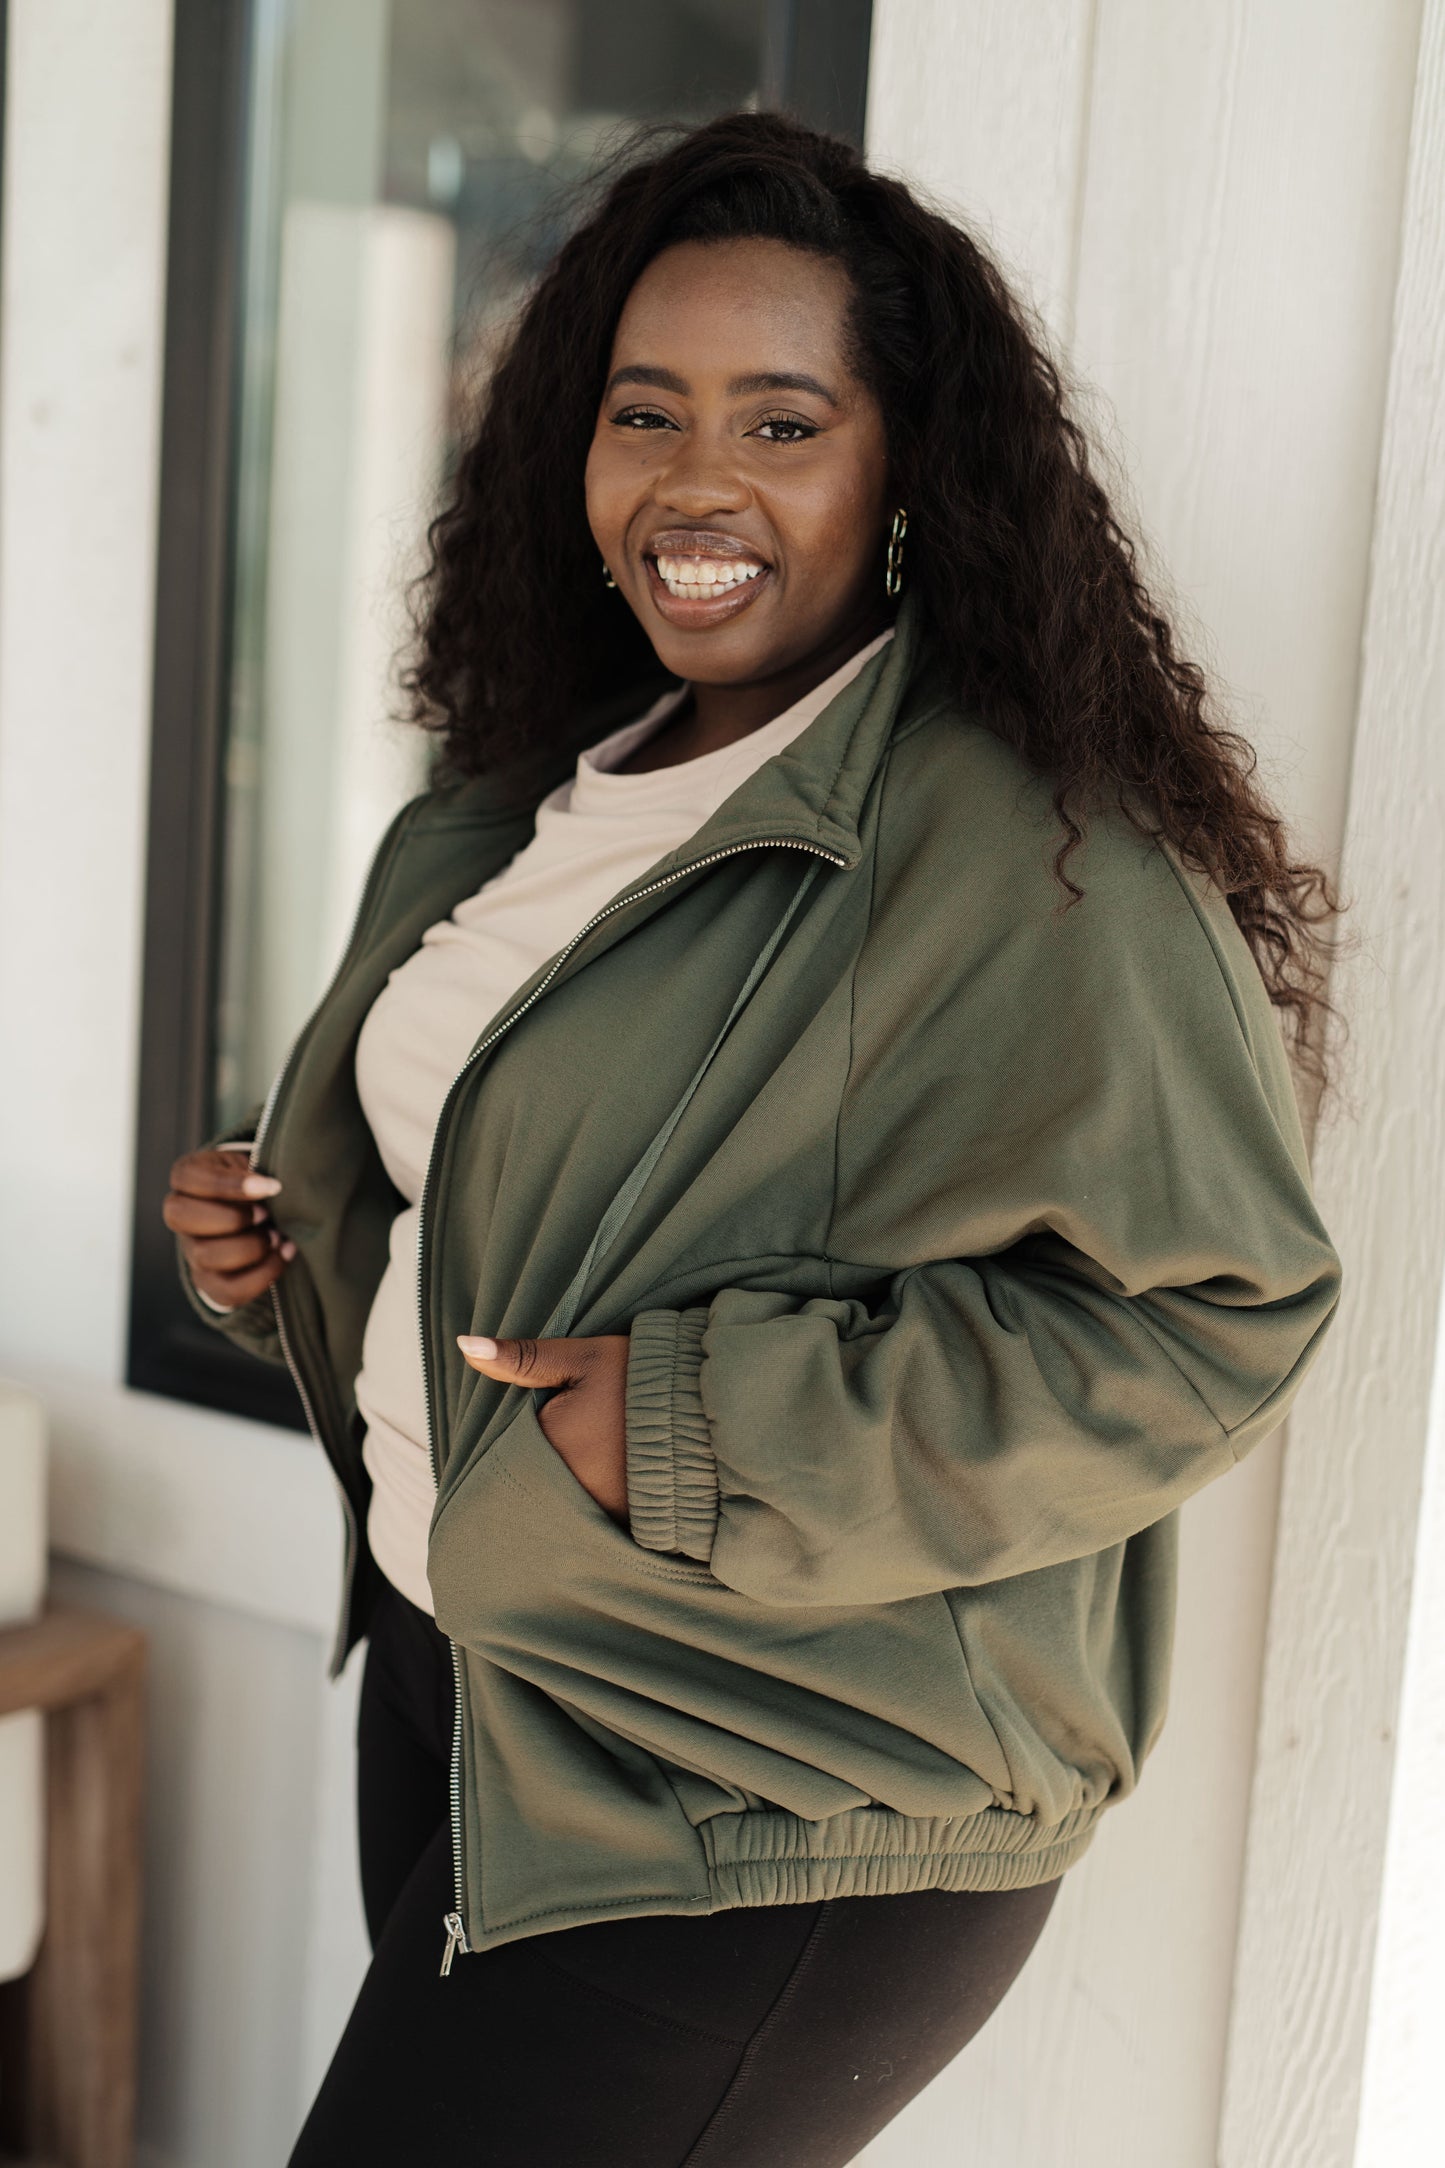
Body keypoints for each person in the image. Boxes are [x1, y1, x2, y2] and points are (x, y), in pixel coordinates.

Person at [163, 111, 1341, 2168]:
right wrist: (282, 1231)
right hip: (472, 1692)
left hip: (767, 1796)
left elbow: (1209, 1316)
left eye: (782, 422)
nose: (698, 480)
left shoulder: (1019, 859)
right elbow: (512, 1158)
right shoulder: (531, 788)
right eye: (648, 412)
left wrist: (711, 1427)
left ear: (905, 473)